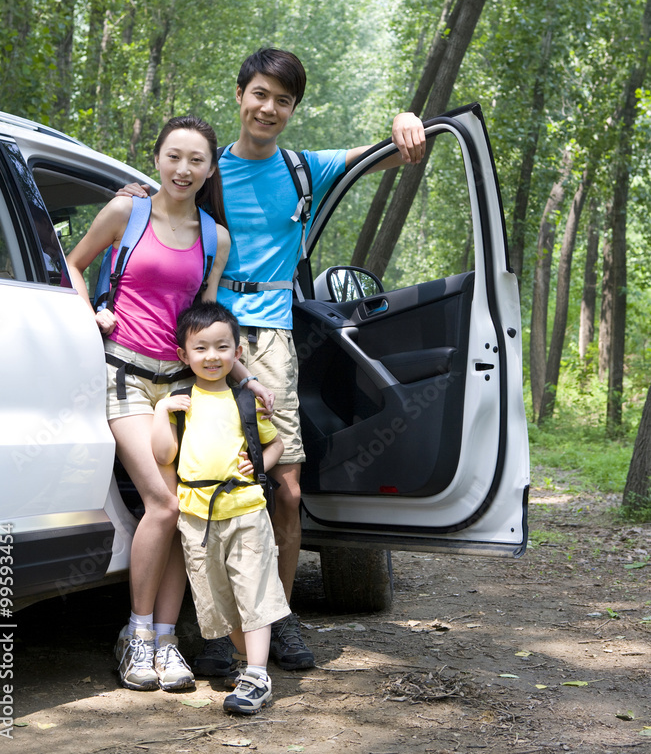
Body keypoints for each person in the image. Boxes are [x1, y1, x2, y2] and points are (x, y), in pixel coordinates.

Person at [122, 49, 426, 673]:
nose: (268, 108)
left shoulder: (303, 168)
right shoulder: (208, 170)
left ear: (291, 110)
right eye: (259, 94)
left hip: (274, 339)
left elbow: (387, 157)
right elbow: (159, 203)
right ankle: (204, 629)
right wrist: (130, 190)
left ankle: (276, 619)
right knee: (199, 481)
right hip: (205, 337)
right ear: (240, 96)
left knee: (283, 487)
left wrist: (405, 120)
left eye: (282, 100)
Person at [66, 115, 271, 693]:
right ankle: (134, 634)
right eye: (174, 156)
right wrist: (91, 314)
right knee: (161, 503)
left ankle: (165, 641)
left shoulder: (215, 237)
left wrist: (247, 378)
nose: (184, 169)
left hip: (181, 386)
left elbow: (206, 325)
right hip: (125, 375)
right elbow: (73, 266)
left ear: (211, 169)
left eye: (197, 160)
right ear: (156, 159)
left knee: (185, 507)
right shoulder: (124, 213)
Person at [152, 301, 289, 715]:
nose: (212, 356)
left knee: (255, 592)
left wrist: (260, 462)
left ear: (237, 352)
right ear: (184, 354)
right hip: (198, 517)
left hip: (246, 509)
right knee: (219, 601)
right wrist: (160, 411)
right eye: (201, 348)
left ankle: (258, 674)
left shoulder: (244, 400)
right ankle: (251, 666)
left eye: (222, 347)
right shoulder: (179, 402)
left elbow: (276, 441)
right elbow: (163, 456)